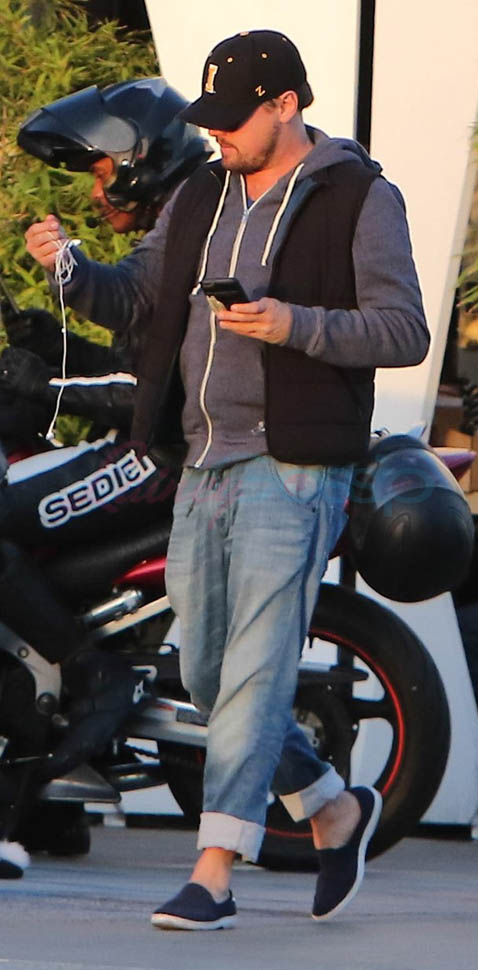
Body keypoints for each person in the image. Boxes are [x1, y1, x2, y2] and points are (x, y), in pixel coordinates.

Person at [25, 30, 430, 927]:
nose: (217, 134)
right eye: (209, 117)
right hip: (200, 459)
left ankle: (213, 871)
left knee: (253, 670)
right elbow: (136, 297)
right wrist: (69, 269)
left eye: (233, 118)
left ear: (286, 105)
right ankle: (330, 805)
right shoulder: (203, 192)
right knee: (208, 675)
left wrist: (293, 325)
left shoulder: (358, 196)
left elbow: (403, 330)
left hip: (295, 467)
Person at [0, 78, 210, 871]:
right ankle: (50, 799)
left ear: (136, 157)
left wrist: (66, 289)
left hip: (158, 457)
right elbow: (136, 358)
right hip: (163, 440)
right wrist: (54, 349)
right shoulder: (184, 217)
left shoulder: (186, 224)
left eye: (98, 170)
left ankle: (93, 673)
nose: (96, 189)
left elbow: (144, 372)